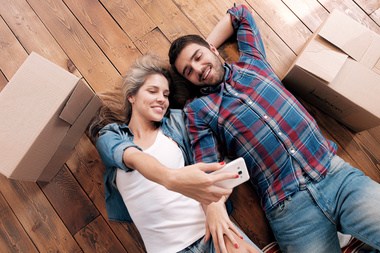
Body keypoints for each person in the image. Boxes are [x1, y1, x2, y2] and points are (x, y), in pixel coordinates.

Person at [168, 4, 380, 253]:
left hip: (334, 175)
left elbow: (241, 14)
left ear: (212, 48)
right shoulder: (198, 110)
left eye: (198, 57)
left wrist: (205, 54)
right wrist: (212, 206)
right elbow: (208, 171)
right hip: (289, 208)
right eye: (188, 71)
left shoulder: (253, 62)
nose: (198, 69)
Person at [89, 54, 262, 253]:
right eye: (153, 91)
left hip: (212, 232)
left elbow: (212, 158)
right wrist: (170, 178)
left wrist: (215, 204)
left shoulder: (178, 122)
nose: (161, 99)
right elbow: (134, 158)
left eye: (166, 94)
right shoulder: (111, 135)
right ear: (132, 96)